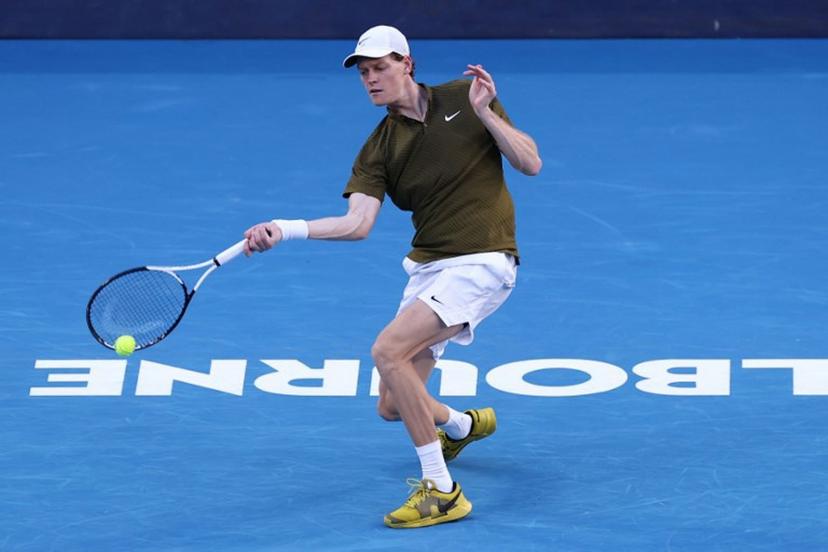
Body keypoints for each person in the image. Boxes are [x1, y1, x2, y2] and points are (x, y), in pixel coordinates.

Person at [243, 24, 541, 528]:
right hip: (430, 268)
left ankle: (442, 491)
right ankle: (461, 425)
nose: (371, 80)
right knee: (391, 403)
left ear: (408, 64)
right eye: (363, 73)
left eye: (380, 67)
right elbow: (357, 225)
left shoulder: (465, 97)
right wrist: (285, 228)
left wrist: (487, 113)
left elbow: (529, 162)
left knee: (387, 351)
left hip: (484, 259)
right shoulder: (379, 147)